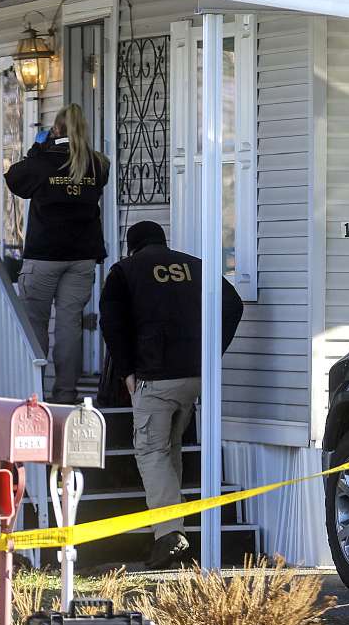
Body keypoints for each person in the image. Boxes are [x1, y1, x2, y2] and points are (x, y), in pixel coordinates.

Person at [99, 221, 244, 568]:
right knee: (170, 448)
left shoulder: (125, 271)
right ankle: (176, 524)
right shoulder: (195, 266)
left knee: (151, 450)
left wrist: (127, 372)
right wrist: (212, 355)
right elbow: (233, 304)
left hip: (155, 378)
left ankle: (168, 535)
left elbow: (112, 323)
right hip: (195, 375)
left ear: (132, 246)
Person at [4, 104, 109, 404]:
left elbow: (14, 178)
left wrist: (38, 149)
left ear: (56, 129)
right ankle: (65, 394)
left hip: (44, 257)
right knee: (69, 326)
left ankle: (33, 393)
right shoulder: (99, 164)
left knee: (35, 324)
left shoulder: (43, 161)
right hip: (82, 257)